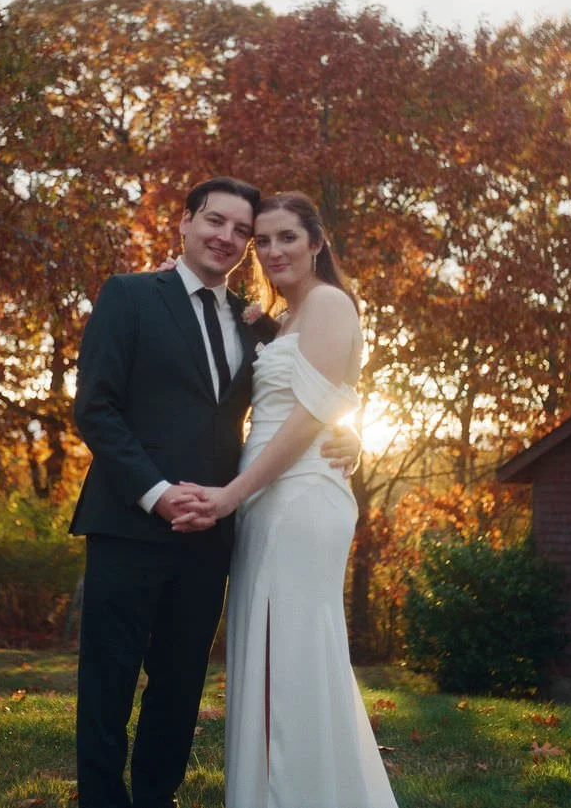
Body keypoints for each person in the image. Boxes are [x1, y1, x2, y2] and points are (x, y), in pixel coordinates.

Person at [71, 176, 360, 808]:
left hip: (214, 529)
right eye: (215, 221)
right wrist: (155, 492)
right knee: (108, 680)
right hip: (128, 519)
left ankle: (157, 798)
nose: (227, 237)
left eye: (241, 231)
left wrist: (348, 436)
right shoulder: (129, 295)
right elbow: (95, 408)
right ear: (185, 222)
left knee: (179, 683)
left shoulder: (255, 323)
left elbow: (313, 389)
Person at [173, 192, 399, 808]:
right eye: (263, 240)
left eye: (288, 237)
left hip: (298, 499)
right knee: (269, 650)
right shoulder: (283, 317)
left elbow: (307, 419)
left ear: (316, 243)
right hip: (266, 498)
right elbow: (325, 397)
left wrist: (230, 496)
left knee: (294, 652)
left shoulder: (328, 303)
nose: (273, 250)